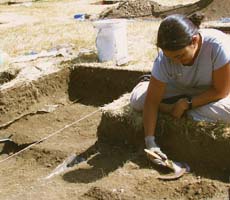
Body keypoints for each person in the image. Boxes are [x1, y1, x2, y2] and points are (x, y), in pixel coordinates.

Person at [130, 14, 230, 164]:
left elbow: (221, 91)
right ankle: (163, 101)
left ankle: (176, 108)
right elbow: (150, 102)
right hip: (178, 87)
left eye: (180, 56)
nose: (176, 62)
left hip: (211, 91)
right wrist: (150, 142)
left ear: (194, 41)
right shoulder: (164, 58)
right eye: (171, 58)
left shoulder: (217, 46)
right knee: (139, 101)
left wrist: (187, 104)